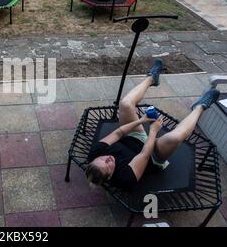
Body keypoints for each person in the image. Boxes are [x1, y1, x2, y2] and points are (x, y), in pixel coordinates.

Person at [85, 59, 221, 190]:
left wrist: (141, 121)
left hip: (132, 138)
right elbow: (144, 154)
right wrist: (153, 131)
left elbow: (118, 133)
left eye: (102, 158)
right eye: (108, 164)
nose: (108, 158)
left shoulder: (95, 153)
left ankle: (152, 78)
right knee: (173, 138)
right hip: (151, 156)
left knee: (125, 104)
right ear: (109, 176)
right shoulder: (124, 178)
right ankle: (200, 107)